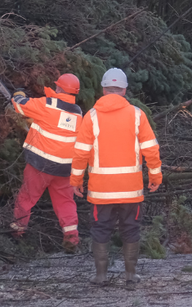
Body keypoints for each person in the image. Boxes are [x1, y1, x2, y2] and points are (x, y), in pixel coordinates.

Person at [71, 68, 162, 287]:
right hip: (131, 190)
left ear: (103, 89)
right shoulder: (137, 115)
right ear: (124, 90)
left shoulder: (91, 117)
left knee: (101, 229)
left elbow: (81, 152)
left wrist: (75, 181)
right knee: (131, 228)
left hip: (101, 191)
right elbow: (150, 149)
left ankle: (101, 276)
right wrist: (155, 175)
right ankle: (130, 275)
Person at [10, 73, 84, 252]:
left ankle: (17, 234)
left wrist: (18, 94)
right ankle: (72, 238)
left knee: (26, 198)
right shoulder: (78, 114)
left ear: (58, 88)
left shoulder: (47, 105)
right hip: (65, 169)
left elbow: (20, 106)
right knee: (66, 203)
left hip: (40, 165)